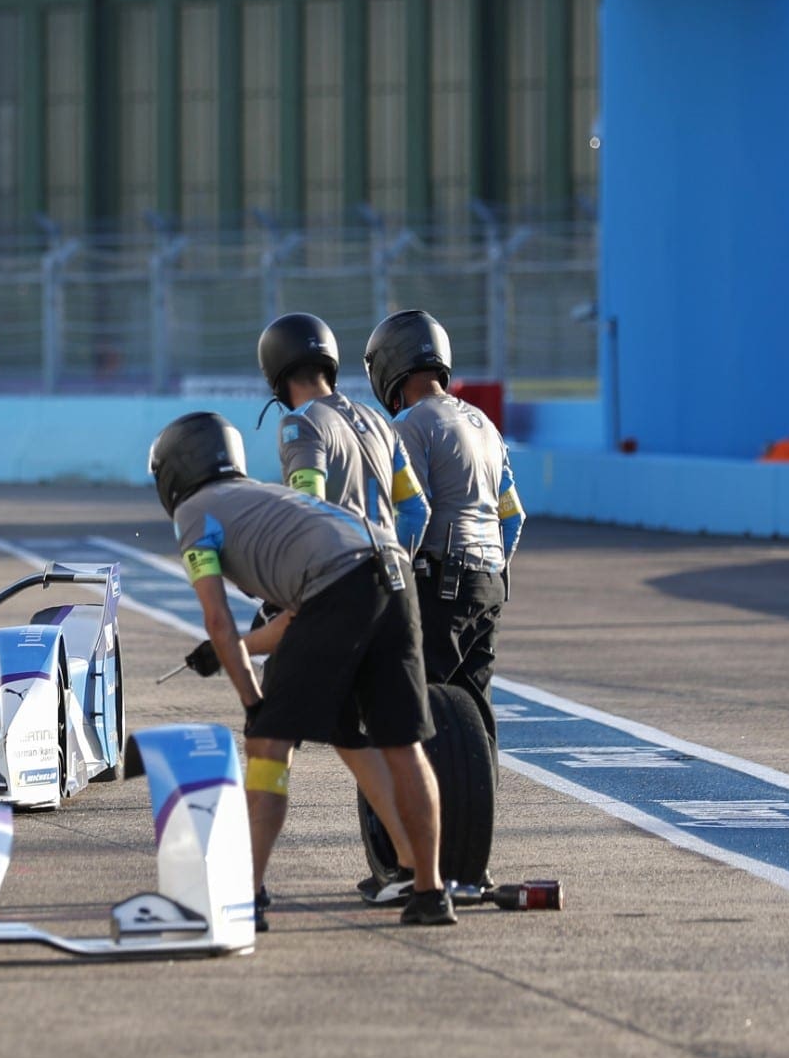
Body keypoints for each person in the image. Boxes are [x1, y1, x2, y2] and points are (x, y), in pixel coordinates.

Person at [151, 411, 455, 927]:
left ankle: (245, 898)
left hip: (341, 588)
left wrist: (253, 704)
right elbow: (299, 621)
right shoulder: (268, 496)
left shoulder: (194, 515)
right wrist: (243, 650)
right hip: (392, 571)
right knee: (401, 744)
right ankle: (428, 889)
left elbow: (217, 620)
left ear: (173, 472)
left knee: (268, 747)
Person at [217, 311, 433, 907]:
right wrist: (390, 555)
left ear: (275, 370)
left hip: (327, 589)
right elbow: (416, 512)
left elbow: (303, 510)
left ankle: (249, 884)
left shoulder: (299, 426)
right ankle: (413, 867)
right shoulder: (375, 420)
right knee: (356, 733)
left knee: (270, 733)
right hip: (392, 585)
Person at [365, 312, 524, 761]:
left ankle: (407, 820)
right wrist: (494, 568)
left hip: (441, 580)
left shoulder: (409, 425)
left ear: (388, 368)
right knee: (476, 712)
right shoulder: (484, 426)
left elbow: (415, 512)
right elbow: (514, 517)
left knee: (410, 706)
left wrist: (390, 577)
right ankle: (478, 814)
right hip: (489, 582)